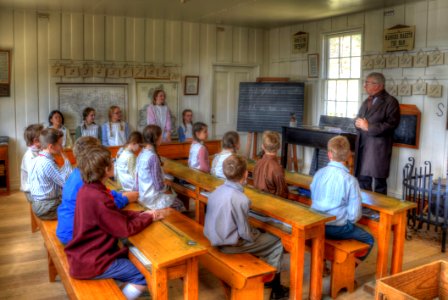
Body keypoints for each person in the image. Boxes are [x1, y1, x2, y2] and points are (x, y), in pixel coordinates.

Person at [65, 145, 163, 300]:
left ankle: (119, 292)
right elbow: (125, 229)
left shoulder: (88, 189)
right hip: (93, 261)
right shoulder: (98, 197)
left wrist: (141, 214)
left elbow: (113, 215)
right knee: (143, 275)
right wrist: (148, 217)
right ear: (105, 170)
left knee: (131, 258)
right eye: (112, 162)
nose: (114, 163)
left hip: (84, 254)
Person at [204, 155, 289, 300]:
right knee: (277, 242)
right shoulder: (241, 199)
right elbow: (245, 233)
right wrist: (257, 234)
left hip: (213, 239)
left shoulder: (216, 191)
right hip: (230, 245)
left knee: (262, 235)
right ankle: (275, 287)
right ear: (245, 174)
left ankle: (266, 274)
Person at [56, 136, 139, 245]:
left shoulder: (78, 172)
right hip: (76, 235)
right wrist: (125, 198)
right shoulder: (85, 181)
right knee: (129, 235)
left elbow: (107, 195)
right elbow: (107, 208)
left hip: (67, 228)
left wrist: (121, 195)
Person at [310, 136, 374, 261]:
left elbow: (313, 197)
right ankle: (351, 269)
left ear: (329, 155)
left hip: (315, 224)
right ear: (349, 155)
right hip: (337, 228)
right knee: (369, 239)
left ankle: (323, 264)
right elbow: (354, 216)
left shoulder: (319, 173)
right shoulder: (350, 180)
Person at [354, 72, 400, 195]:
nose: (364, 86)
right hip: (363, 145)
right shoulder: (367, 101)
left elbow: (391, 125)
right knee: (363, 180)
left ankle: (380, 212)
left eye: (367, 83)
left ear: (377, 85)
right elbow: (359, 118)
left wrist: (369, 127)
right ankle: (365, 209)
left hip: (378, 148)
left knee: (379, 183)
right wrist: (357, 123)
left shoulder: (391, 102)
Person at [135, 125, 185, 211]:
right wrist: (168, 188)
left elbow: (136, 178)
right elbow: (158, 186)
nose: (162, 138)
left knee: (173, 193)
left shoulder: (141, 153)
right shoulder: (152, 157)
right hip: (152, 198)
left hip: (142, 195)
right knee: (180, 205)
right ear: (156, 138)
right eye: (161, 135)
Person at [28, 128, 72, 219]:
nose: (62, 147)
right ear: (51, 146)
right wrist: (67, 160)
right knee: (79, 210)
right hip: (47, 208)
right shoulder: (47, 163)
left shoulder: (36, 159)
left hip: (39, 204)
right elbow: (65, 182)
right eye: (60, 144)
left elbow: (58, 174)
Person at [253, 131, 288, 198]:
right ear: (279, 147)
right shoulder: (277, 168)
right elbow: (282, 193)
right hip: (270, 203)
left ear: (263, 146)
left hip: (257, 198)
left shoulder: (257, 163)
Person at [20, 123, 44, 202]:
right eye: (44, 138)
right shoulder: (30, 156)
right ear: (36, 141)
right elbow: (37, 177)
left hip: (36, 186)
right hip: (30, 190)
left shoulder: (39, 150)